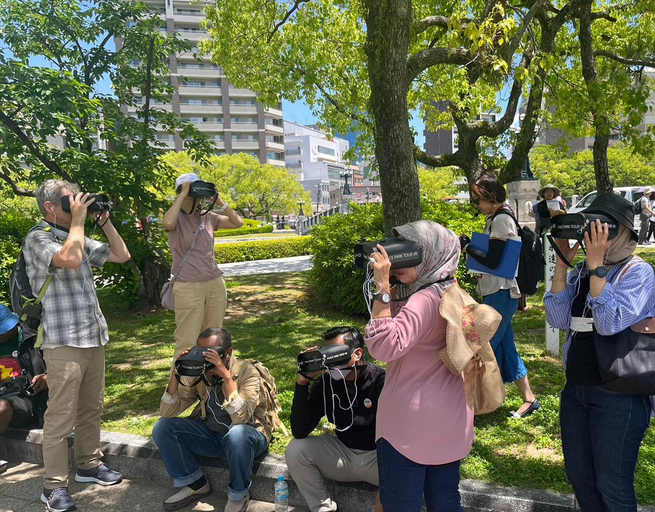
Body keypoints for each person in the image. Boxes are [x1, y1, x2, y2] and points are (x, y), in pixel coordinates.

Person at [544, 192, 655, 512]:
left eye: (605, 227)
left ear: (625, 232)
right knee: (580, 478)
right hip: (578, 390)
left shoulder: (639, 272)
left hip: (620, 395)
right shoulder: (584, 270)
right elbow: (557, 319)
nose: (596, 235)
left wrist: (598, 269)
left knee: (612, 484)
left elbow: (610, 323)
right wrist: (562, 264)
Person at [25, 180, 131, 512]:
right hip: (62, 340)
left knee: (91, 408)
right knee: (60, 416)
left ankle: (88, 464)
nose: (78, 204)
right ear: (50, 207)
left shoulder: (79, 234)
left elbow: (121, 255)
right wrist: (80, 223)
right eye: (72, 201)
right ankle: (53, 486)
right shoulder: (37, 238)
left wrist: (103, 220)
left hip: (93, 336)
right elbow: (69, 259)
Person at [366, 220, 471, 512]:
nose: (398, 259)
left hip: (408, 430)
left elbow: (383, 346)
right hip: (449, 422)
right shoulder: (452, 291)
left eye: (409, 251)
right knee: (446, 501)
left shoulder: (424, 299)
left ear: (431, 253)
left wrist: (383, 287)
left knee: (401, 505)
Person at [152, 327, 272, 512]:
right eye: (201, 351)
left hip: (248, 437)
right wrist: (176, 374)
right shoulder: (201, 372)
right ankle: (195, 484)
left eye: (211, 353)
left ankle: (239, 494)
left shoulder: (248, 371)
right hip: (212, 436)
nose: (205, 358)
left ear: (228, 353)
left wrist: (226, 376)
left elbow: (242, 419)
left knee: (237, 434)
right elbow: (168, 413)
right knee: (163, 427)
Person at [461, 174, 539, 419]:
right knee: (505, 346)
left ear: (491, 198)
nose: (476, 205)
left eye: (479, 200)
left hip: (502, 293)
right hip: (499, 293)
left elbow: (493, 260)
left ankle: (467, 404)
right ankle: (529, 399)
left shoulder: (501, 220)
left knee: (484, 348)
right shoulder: (498, 217)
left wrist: (467, 247)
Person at [286, 326, 386, 512]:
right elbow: (299, 430)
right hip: (343, 455)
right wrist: (303, 382)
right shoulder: (326, 384)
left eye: (336, 354)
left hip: (377, 458)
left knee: (406, 467)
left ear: (357, 354)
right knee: (296, 450)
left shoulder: (380, 381)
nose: (330, 361)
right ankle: (322, 508)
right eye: (327, 354)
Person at [163, 173, 244, 359]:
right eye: (192, 191)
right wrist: (183, 194)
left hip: (215, 282)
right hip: (187, 285)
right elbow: (167, 222)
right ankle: (182, 386)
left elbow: (237, 222)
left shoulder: (208, 217)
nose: (195, 196)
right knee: (187, 340)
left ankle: (210, 381)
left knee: (215, 338)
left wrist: (218, 199)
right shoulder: (175, 218)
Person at [0, 305, 49, 475]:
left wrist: (48, 376)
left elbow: (60, 366)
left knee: (1, 407)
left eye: (2, 331)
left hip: (26, 398)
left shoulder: (34, 339)